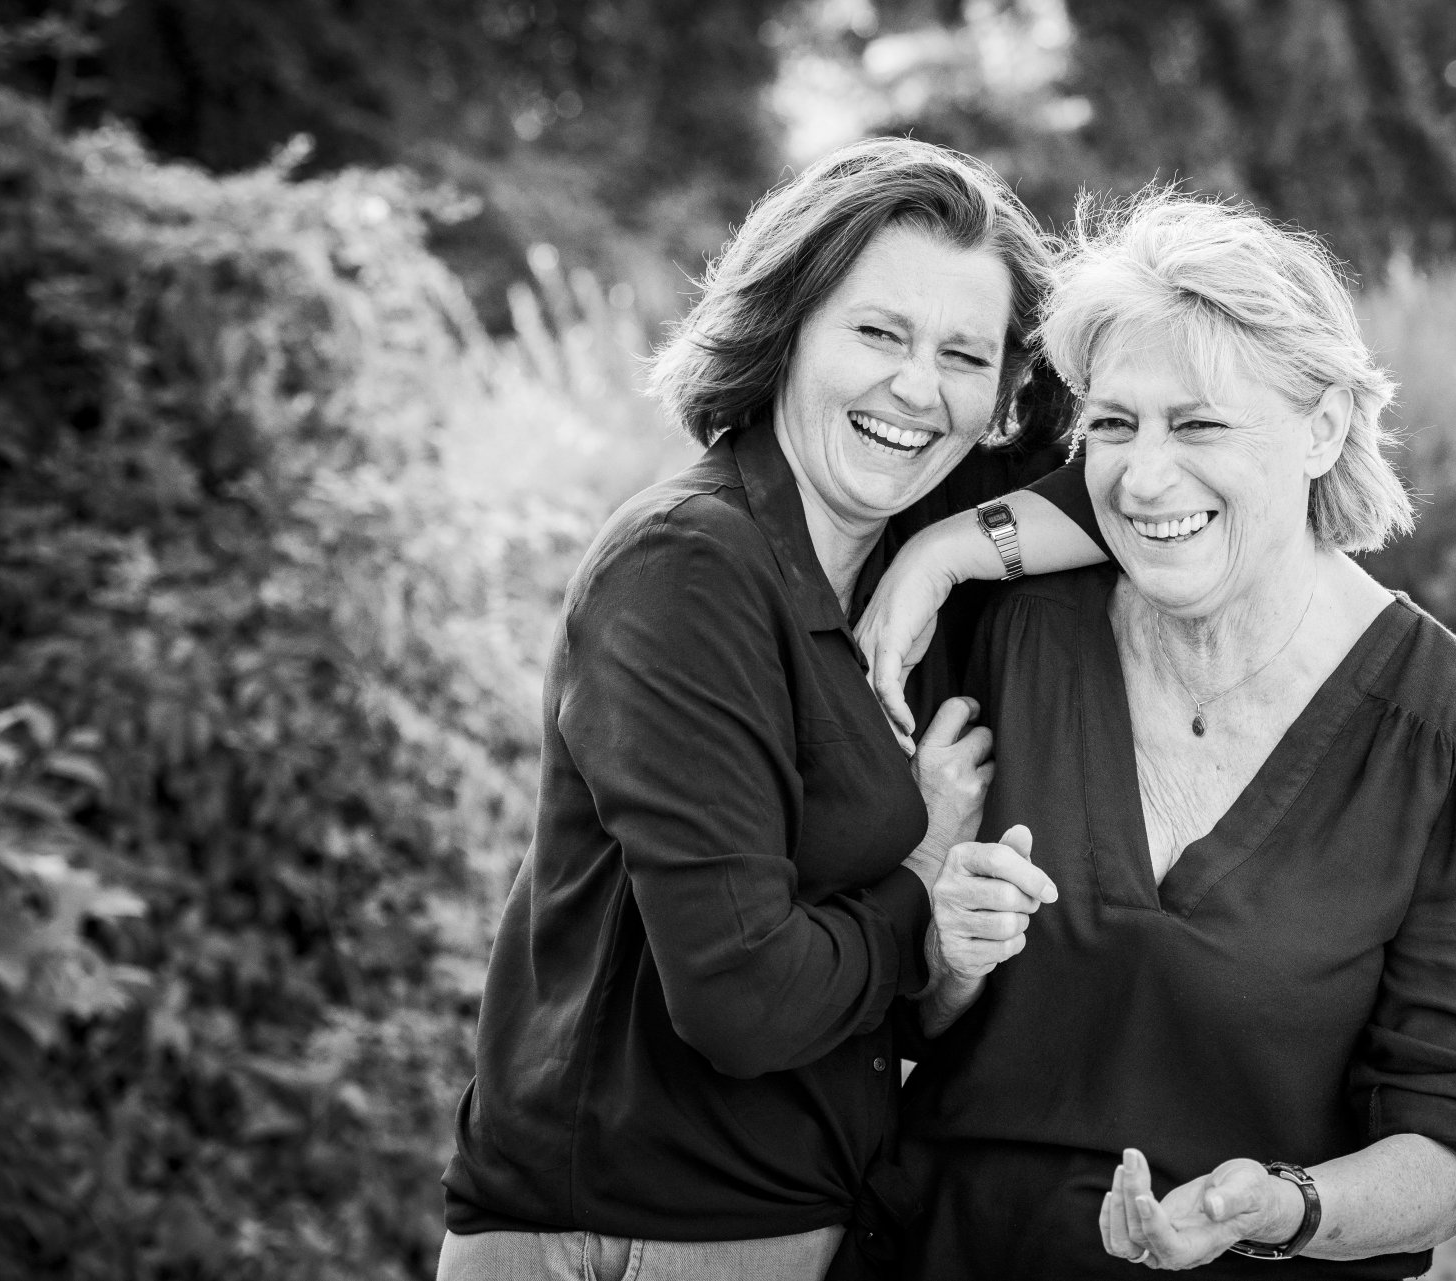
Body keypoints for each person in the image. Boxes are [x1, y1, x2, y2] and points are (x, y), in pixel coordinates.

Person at [437, 138, 1074, 1281]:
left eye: (963, 355)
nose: (917, 389)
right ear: (786, 328)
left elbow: (1145, 455)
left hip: (795, 1221)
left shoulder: (887, 577)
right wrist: (922, 877)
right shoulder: (690, 570)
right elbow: (744, 1003)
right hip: (631, 1236)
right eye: (878, 333)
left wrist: (940, 551)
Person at [886, 191, 1456, 1278]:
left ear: (1324, 427)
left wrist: (1277, 1207)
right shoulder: (1015, 638)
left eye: (1198, 425)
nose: (1145, 478)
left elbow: (1447, 1152)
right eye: (1113, 425)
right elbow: (907, 1024)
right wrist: (944, 954)